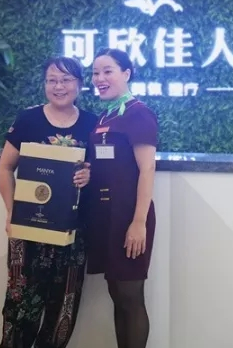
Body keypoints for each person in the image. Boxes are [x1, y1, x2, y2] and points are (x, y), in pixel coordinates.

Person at [0, 56, 98, 348]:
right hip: (28, 232)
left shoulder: (92, 124)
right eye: (52, 80)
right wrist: (11, 212)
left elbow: (99, 174)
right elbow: (5, 168)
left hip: (71, 233)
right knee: (19, 309)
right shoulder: (28, 120)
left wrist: (89, 176)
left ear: (80, 84)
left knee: (62, 310)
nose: (58, 86)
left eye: (66, 80)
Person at [85, 48, 159, 348]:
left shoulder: (138, 113)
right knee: (116, 294)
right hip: (106, 216)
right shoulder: (107, 115)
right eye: (95, 73)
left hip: (129, 215)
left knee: (130, 296)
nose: (99, 78)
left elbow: (147, 169)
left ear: (126, 73)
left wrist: (139, 222)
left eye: (107, 71)